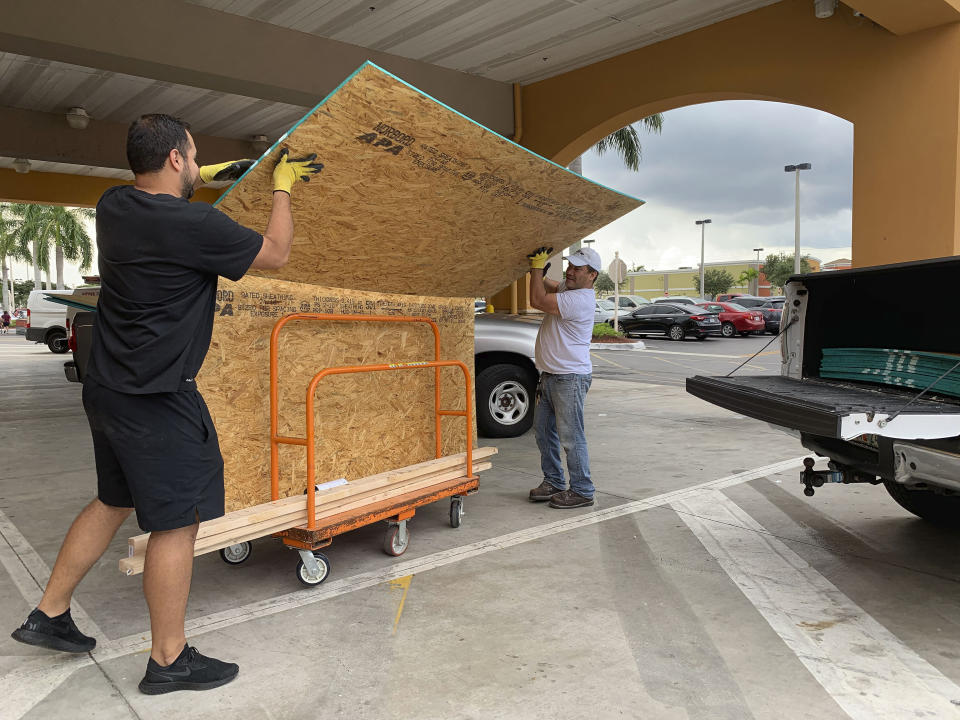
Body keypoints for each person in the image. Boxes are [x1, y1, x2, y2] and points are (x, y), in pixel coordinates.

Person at [10, 114, 322, 695]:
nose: (198, 165)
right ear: (177, 159)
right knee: (176, 523)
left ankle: (49, 613)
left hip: (106, 386)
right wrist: (281, 185)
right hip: (157, 397)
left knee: (112, 499)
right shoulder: (195, 224)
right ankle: (169, 659)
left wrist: (213, 172)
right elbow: (276, 253)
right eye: (194, 156)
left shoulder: (113, 205)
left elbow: (172, 187)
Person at [525, 245, 601, 509]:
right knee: (544, 433)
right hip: (551, 376)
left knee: (571, 437)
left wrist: (536, 270)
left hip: (570, 378)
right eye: (569, 266)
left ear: (592, 275)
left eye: (577, 269)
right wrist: (540, 272)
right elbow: (550, 284)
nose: (570, 271)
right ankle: (554, 481)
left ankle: (582, 490)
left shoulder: (579, 299)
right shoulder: (570, 289)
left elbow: (537, 300)